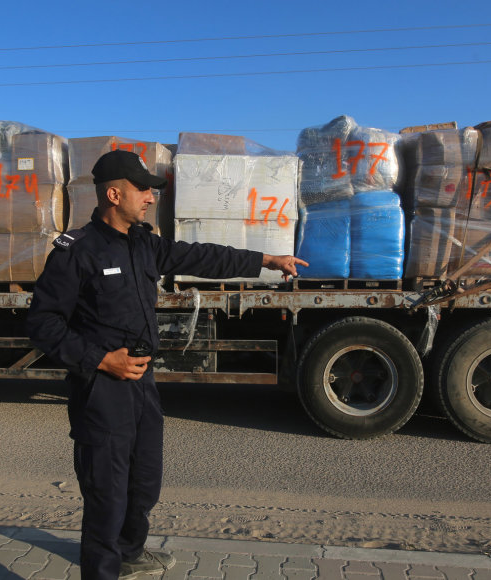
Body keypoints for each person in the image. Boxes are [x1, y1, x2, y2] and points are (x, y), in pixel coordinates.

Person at [26, 149, 307, 580]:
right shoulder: (76, 251)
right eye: (143, 190)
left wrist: (265, 261)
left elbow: (203, 257)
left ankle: (130, 553)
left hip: (143, 385)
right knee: (107, 495)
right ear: (114, 194)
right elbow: (43, 323)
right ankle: (102, 571)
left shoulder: (144, 244)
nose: (151, 198)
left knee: (144, 483)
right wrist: (101, 360)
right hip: (102, 389)